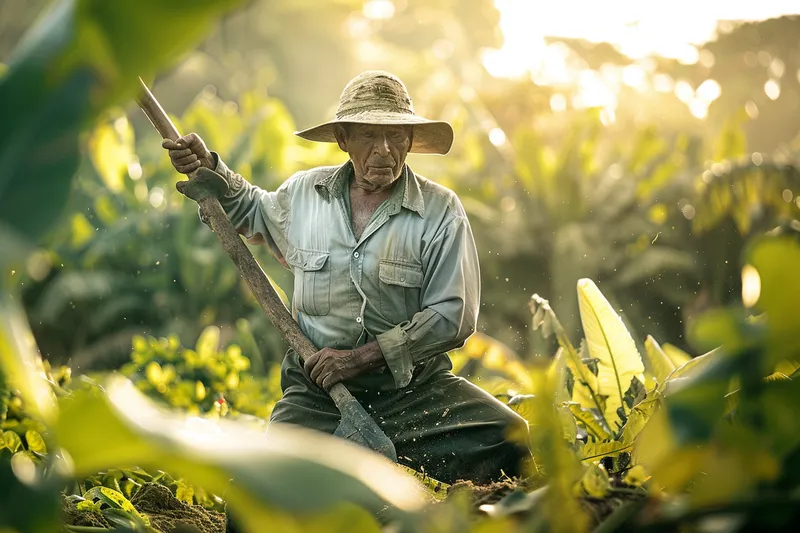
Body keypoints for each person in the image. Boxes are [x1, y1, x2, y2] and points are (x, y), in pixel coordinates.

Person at [163, 70, 530, 484]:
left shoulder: (440, 211)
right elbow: (249, 209)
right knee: (262, 490)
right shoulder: (304, 194)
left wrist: (358, 359)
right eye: (369, 136)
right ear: (343, 138)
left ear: (410, 141)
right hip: (319, 395)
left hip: (412, 392)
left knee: (506, 441)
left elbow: (454, 317)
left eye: (396, 137)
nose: (384, 150)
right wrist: (208, 166)